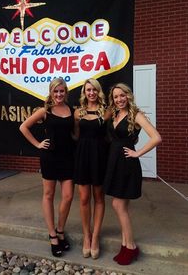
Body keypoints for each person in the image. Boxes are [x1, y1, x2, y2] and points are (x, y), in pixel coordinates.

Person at [103, 83, 162, 265]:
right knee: (122, 206)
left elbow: (156, 137)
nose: (119, 99)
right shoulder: (114, 114)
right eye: (115, 97)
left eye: (122, 95)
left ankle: (131, 247)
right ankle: (124, 244)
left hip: (127, 163)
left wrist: (138, 152)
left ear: (128, 96)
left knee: (118, 205)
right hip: (114, 162)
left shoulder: (136, 115)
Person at [19, 78, 75, 257]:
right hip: (49, 157)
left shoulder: (72, 110)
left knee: (68, 196)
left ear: (66, 92)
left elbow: (74, 134)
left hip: (68, 158)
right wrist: (37, 144)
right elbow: (23, 127)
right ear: (51, 92)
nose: (59, 94)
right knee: (49, 195)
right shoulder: (45, 111)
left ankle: (60, 230)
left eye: (62, 91)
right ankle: (52, 236)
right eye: (55, 91)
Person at [74, 78, 111, 259]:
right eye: (88, 90)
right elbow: (75, 136)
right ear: (84, 92)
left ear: (98, 92)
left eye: (94, 90)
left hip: (99, 159)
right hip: (82, 158)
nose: (91, 93)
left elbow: (114, 133)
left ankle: (95, 237)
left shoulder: (107, 112)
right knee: (83, 198)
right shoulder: (78, 113)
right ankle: (86, 236)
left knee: (98, 198)